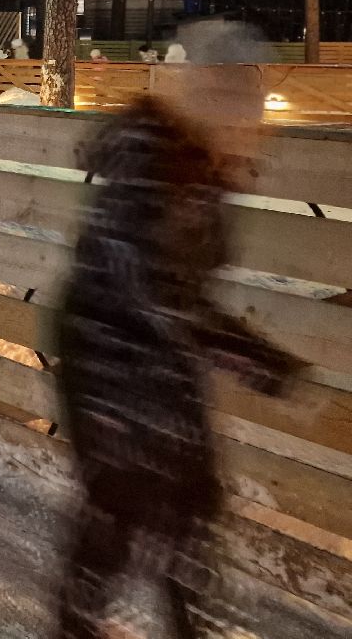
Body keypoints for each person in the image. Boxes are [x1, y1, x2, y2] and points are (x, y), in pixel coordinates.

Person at [55, 94, 303, 639]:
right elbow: (155, 294)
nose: (249, 144)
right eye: (243, 128)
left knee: (192, 495)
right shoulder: (147, 163)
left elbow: (188, 285)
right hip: (101, 351)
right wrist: (258, 359)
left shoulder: (199, 175)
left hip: (160, 351)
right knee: (120, 498)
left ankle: (192, 623)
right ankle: (77, 622)